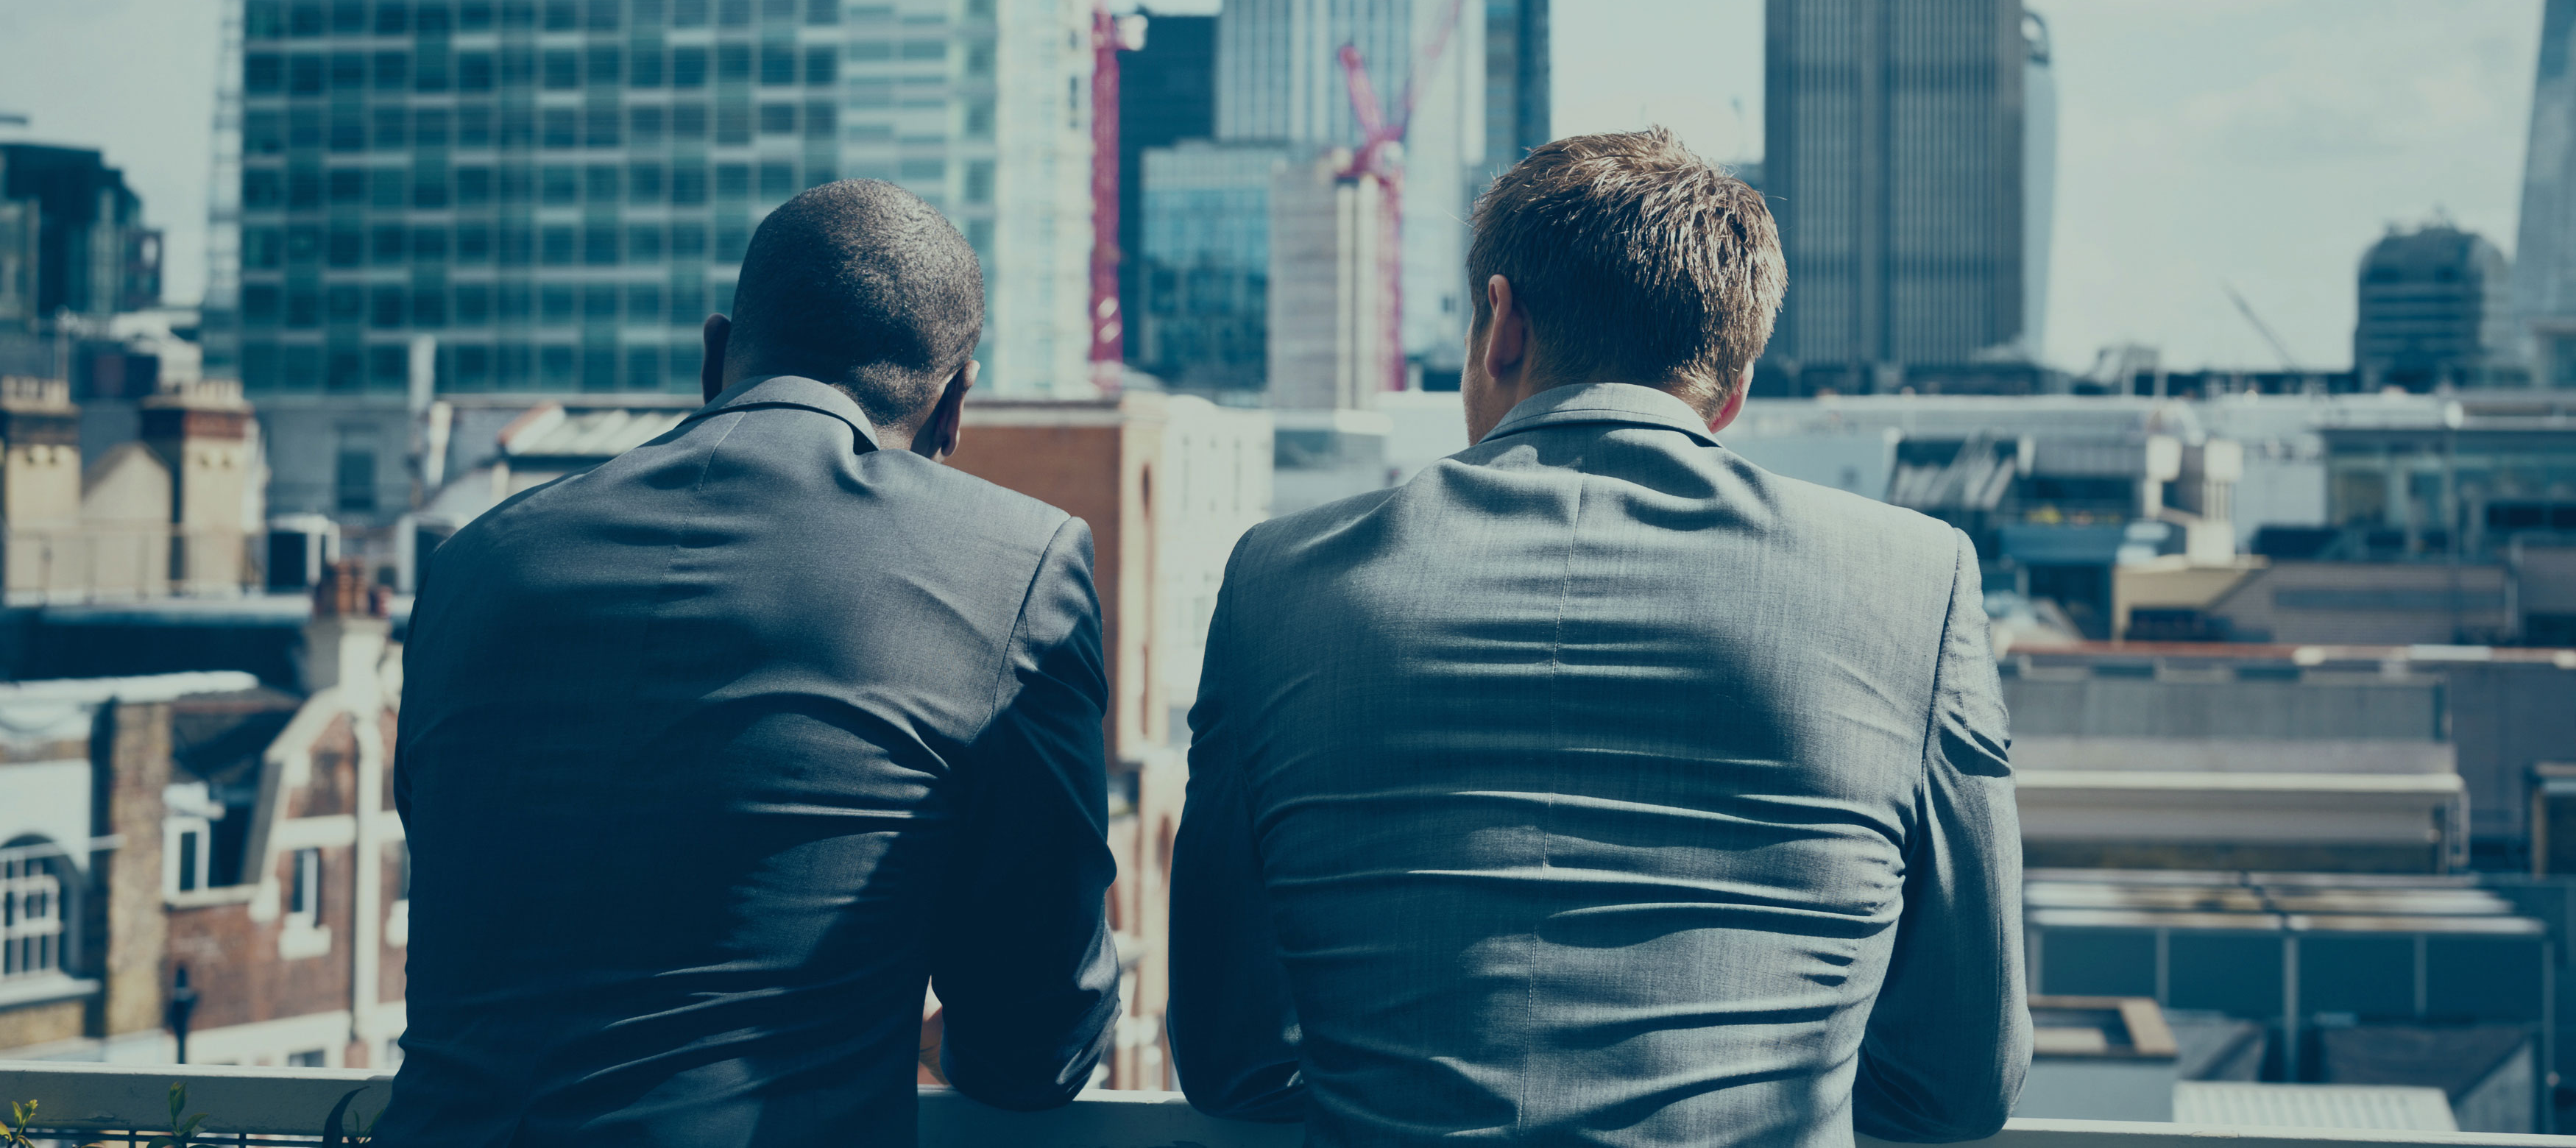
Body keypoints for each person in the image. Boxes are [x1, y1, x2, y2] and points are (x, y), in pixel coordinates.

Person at [1169, 129, 2028, 1146]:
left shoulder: (1282, 579)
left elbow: (1227, 1059)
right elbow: (1960, 1083)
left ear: (1500, 325)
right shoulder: (1915, 580)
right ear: (1734, 386)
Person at [381, 181, 1119, 1147]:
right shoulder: (1013, 563)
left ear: (715, 354)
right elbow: (1038, 1042)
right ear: (955, 406)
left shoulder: (479, 561)